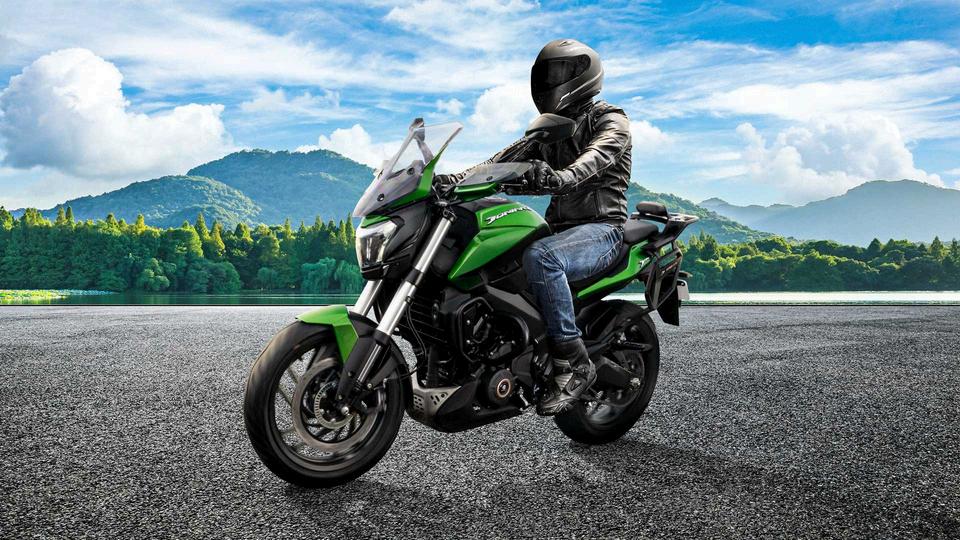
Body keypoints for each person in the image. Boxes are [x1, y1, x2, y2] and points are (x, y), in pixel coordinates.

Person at [440, 39, 631, 414]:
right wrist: (448, 181)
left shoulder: (611, 119)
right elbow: (499, 162)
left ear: (586, 73)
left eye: (560, 72)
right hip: (561, 231)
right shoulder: (549, 129)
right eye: (546, 74)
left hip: (602, 229)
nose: (551, 81)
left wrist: (562, 177)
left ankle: (573, 361)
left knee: (542, 257)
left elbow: (597, 156)